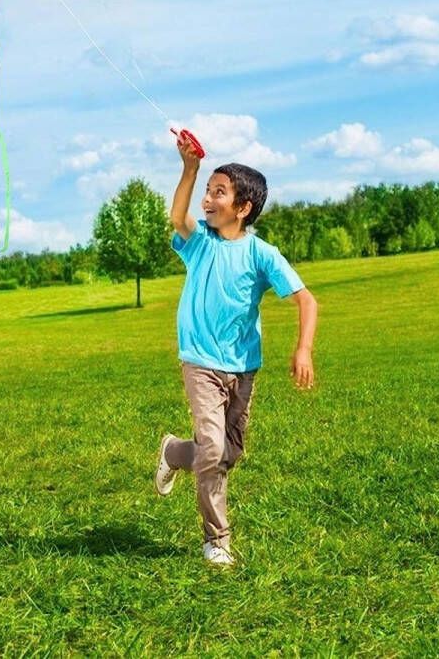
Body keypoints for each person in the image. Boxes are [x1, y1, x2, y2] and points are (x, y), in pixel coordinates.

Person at [155, 133, 318, 566]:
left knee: (228, 453)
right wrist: (189, 169)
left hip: (243, 366)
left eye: (218, 192)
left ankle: (173, 451)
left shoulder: (262, 254)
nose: (207, 200)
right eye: (207, 190)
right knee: (212, 450)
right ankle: (217, 539)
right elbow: (177, 216)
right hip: (200, 362)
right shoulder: (200, 243)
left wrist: (303, 350)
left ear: (243, 207)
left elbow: (307, 300)